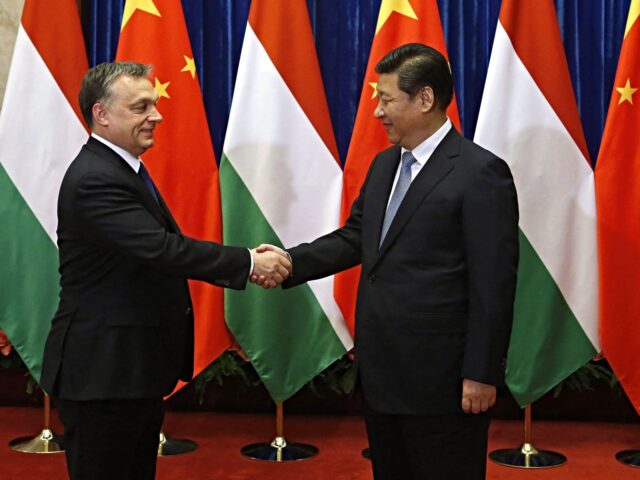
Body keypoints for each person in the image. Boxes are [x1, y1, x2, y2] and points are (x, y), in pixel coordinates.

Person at [256, 43, 519, 479]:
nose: (377, 111)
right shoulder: (383, 166)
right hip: (383, 376)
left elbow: (494, 283)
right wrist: (290, 262)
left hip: (445, 382)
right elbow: (356, 238)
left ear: (425, 99)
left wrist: (481, 372)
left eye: (386, 98)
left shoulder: (480, 173)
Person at [40, 62, 290, 480]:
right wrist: (248, 262)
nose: (156, 115)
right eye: (141, 107)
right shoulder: (95, 178)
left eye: (153, 104)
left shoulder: (120, 169)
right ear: (101, 114)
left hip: (127, 371)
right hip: (102, 374)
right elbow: (163, 249)